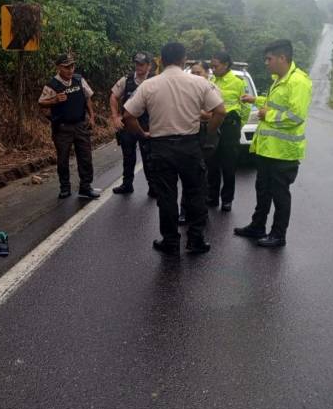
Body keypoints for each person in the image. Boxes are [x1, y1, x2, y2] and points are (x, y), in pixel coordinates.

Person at [123, 42, 226, 255]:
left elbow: (128, 116)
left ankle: (170, 241)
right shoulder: (199, 82)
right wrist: (207, 135)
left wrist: (143, 133)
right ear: (183, 59)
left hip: (161, 147)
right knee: (196, 193)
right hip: (190, 145)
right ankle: (195, 240)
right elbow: (220, 111)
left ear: (161, 59)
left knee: (167, 196)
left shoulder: (149, 85)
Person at [234, 39, 312, 248]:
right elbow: (274, 105)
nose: (266, 63)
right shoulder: (279, 79)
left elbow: (295, 116)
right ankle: (257, 226)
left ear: (282, 58)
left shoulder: (298, 82)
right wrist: (256, 101)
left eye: (269, 59)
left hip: (284, 153)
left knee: (280, 195)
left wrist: (266, 114)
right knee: (263, 190)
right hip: (268, 150)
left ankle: (278, 235)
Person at [38, 53, 100, 199]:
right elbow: (41, 103)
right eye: (66, 67)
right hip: (62, 128)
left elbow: (87, 98)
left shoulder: (79, 79)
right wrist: (54, 100)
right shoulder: (52, 84)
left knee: (85, 157)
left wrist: (91, 116)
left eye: (72, 66)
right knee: (63, 159)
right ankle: (65, 187)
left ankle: (85, 187)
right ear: (59, 67)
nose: (70, 70)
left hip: (80, 125)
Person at [109, 51, 156, 197]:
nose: (138, 67)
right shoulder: (127, 80)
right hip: (128, 124)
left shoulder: (155, 80)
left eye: (141, 64)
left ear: (149, 65)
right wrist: (115, 117)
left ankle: (153, 187)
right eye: (136, 63)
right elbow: (114, 97)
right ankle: (127, 184)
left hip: (148, 124)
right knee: (128, 157)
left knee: (149, 158)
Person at [206, 51, 246, 212]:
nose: (213, 69)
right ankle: (212, 197)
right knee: (212, 163)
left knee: (229, 165)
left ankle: (227, 200)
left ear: (226, 65)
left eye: (215, 66)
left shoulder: (238, 82)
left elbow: (245, 106)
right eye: (211, 66)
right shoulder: (212, 80)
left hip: (230, 125)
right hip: (214, 124)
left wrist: (238, 124)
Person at [179, 61, 213, 225]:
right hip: (187, 135)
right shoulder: (185, 89)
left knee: (202, 176)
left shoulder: (211, 89)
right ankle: (184, 211)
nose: (194, 76)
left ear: (207, 73)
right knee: (187, 174)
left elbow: (214, 114)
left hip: (205, 135)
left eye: (198, 73)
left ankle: (201, 213)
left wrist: (195, 112)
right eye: (192, 72)